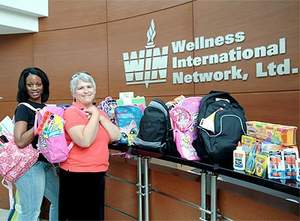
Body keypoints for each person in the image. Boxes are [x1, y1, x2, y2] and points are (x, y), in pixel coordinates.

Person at [59, 72, 120, 221]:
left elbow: (116, 136)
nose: (86, 90)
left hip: (98, 172)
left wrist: (98, 115)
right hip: (76, 175)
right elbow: (84, 141)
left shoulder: (99, 112)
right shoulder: (71, 113)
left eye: (89, 86)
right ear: (74, 93)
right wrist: (94, 117)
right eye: (80, 88)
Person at [14, 67, 59, 221]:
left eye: (38, 84)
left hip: (46, 163)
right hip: (30, 167)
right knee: (31, 213)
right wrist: (39, 125)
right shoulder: (23, 108)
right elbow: (20, 141)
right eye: (30, 85)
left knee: (60, 201)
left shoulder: (47, 108)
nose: (34, 88)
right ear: (24, 86)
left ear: (44, 85)